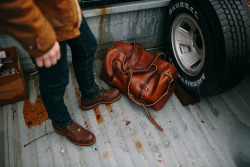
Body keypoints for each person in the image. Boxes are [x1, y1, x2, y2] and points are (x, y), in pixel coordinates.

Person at [0, 0, 121, 146]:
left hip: (66, 7)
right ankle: (61, 121)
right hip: (40, 23)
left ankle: (90, 94)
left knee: (87, 47)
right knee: (55, 78)